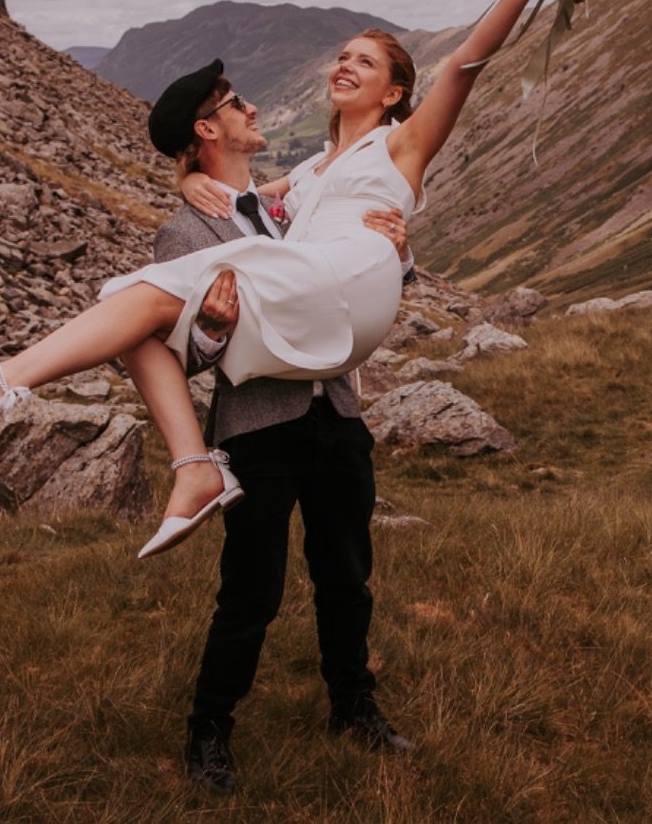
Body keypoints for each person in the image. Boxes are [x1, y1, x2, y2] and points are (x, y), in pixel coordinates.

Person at [0, 0, 565, 559]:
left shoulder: (401, 144)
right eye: (343, 55)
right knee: (133, 319)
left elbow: (465, 65)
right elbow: (252, 192)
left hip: (346, 284)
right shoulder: (313, 169)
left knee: (137, 298)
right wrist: (191, 171)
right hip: (325, 301)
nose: (345, 65)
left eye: (364, 62)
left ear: (393, 94)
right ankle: (194, 469)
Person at [148, 60, 411, 792]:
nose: (253, 106)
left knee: (348, 574)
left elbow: (357, 274)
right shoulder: (182, 232)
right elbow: (174, 358)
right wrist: (205, 328)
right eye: (236, 104)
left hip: (337, 412)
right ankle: (209, 730)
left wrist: (399, 252)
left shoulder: (294, 203)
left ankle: (352, 706)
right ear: (208, 130)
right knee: (252, 589)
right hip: (258, 425)